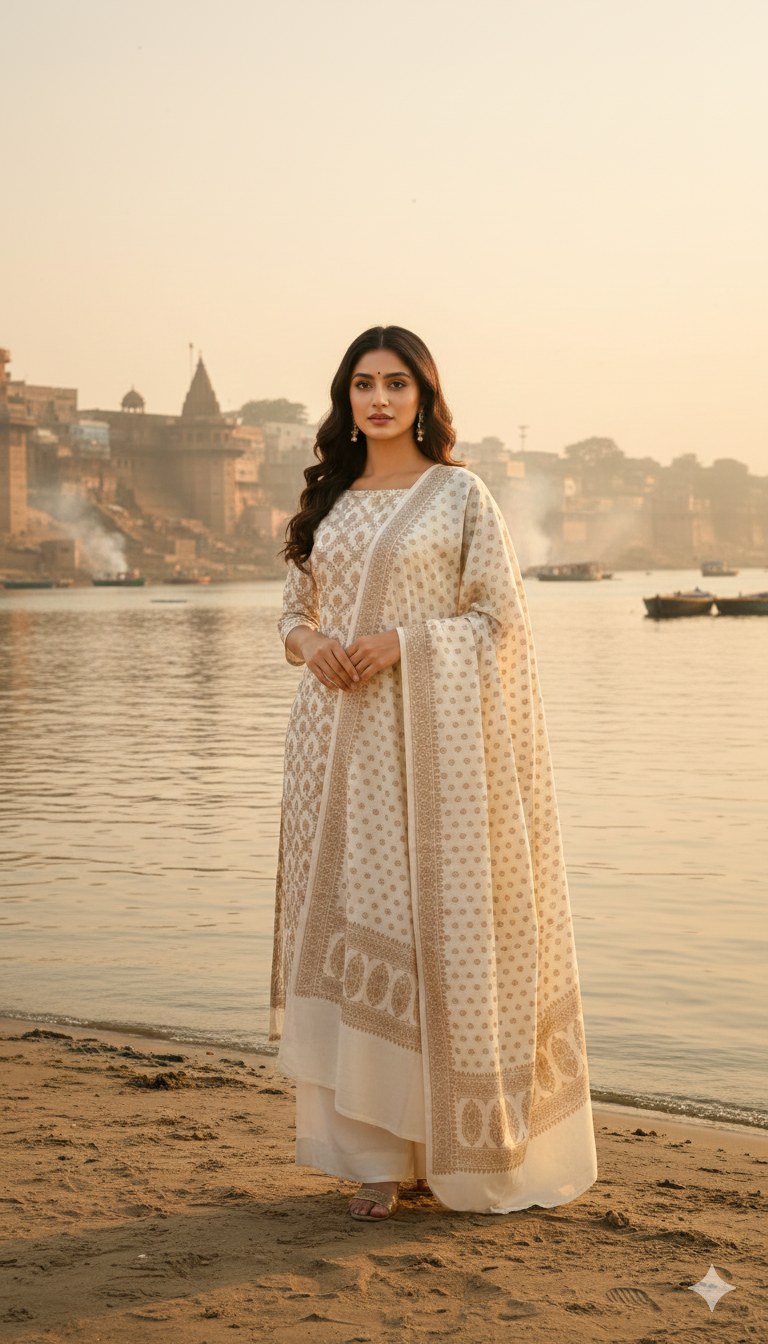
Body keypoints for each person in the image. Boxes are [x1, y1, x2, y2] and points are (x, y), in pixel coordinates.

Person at [271, 325, 597, 1220]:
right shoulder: (330, 498)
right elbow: (292, 611)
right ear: (346, 399)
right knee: (350, 932)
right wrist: (311, 642)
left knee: (426, 933)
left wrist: (402, 643)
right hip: (331, 748)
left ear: (424, 396)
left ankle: (442, 1148)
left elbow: (502, 623)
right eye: (363, 385)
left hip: (431, 757)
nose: (378, 400)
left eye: (397, 384)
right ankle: (375, 1156)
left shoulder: (459, 495)